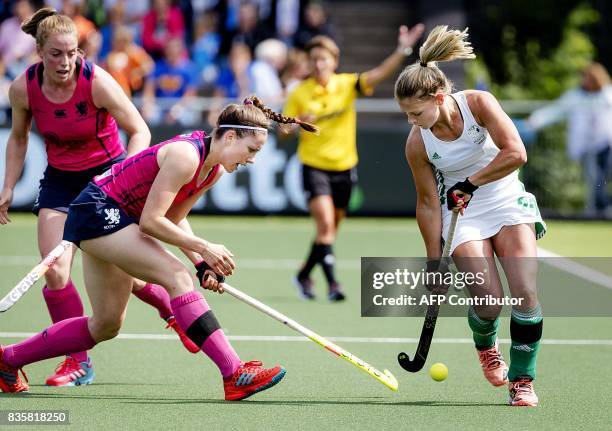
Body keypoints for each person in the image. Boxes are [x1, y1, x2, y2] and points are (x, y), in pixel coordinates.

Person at [0, 96, 317, 401]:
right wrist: (204, 247)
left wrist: (201, 263)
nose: (251, 159)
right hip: (99, 210)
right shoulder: (186, 156)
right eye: (250, 150)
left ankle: (6, 360)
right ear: (230, 136)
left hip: (114, 218)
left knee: (106, 324)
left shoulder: (212, 170)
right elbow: (152, 222)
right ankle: (234, 374)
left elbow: (174, 220)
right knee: (177, 278)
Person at [0, 7, 197, 388]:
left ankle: (173, 311)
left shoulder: (99, 82)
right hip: (60, 182)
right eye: (56, 53)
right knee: (55, 270)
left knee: (125, 273)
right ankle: (77, 362)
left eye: (72, 52)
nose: (65, 61)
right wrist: (8, 185)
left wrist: (119, 175)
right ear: (39, 52)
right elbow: (20, 137)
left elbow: (139, 130)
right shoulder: (23, 88)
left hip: (109, 181)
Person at [395, 26, 547, 406]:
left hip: (506, 197)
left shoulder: (478, 103)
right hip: (464, 213)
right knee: (489, 300)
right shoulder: (418, 143)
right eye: (407, 115)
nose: (412, 121)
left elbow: (516, 153)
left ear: (440, 97)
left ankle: (523, 379)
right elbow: (429, 203)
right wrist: (435, 263)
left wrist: (472, 182)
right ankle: (486, 344)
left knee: (525, 291)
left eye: (416, 113)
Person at [283, 24, 424, 301]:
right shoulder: (300, 92)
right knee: (325, 226)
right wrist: (298, 124)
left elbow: (380, 74)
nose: (319, 64)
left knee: (329, 232)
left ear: (334, 62)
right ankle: (334, 285)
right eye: (314, 60)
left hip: (345, 167)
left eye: (324, 59)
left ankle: (303, 275)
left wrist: (403, 49)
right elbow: (284, 131)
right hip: (314, 166)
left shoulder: (346, 84)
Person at [527, 62, 612, 217]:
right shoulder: (575, 97)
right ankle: (602, 212)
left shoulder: (608, 95)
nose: (583, 81)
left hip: (606, 145)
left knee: (603, 179)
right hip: (588, 148)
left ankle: (602, 209)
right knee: (595, 180)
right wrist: (535, 120)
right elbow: (556, 110)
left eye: (586, 78)